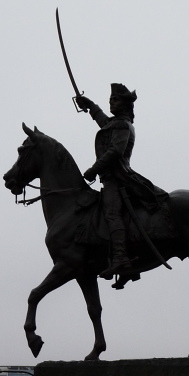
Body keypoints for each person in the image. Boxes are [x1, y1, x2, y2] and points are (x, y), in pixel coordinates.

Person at [74, 84, 167, 285]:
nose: (110, 102)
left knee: (112, 213)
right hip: (111, 178)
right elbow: (103, 121)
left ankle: (120, 258)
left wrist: (94, 169)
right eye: (110, 99)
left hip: (119, 178)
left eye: (114, 100)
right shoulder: (115, 123)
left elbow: (115, 151)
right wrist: (90, 105)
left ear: (125, 105)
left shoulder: (124, 125)